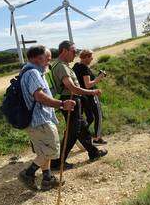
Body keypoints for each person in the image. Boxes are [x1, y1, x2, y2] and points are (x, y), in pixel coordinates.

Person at [19, 45, 76, 190]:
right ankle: (28, 173)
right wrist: (62, 104)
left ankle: (47, 178)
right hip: (40, 120)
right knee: (52, 149)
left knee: (43, 151)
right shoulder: (33, 73)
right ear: (38, 58)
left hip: (35, 120)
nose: (49, 62)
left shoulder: (29, 71)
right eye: (47, 59)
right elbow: (39, 96)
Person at [51, 40, 107, 170]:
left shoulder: (61, 65)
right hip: (71, 100)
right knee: (72, 132)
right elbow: (72, 88)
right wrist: (92, 91)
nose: (75, 54)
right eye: (73, 51)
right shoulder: (61, 66)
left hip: (72, 100)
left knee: (82, 129)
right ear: (64, 51)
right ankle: (58, 162)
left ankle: (93, 152)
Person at [73, 49, 107, 145]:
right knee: (98, 116)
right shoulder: (84, 68)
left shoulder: (76, 66)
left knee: (90, 118)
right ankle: (97, 138)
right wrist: (100, 77)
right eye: (91, 57)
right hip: (90, 95)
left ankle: (79, 135)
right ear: (86, 57)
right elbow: (87, 84)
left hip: (82, 96)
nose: (92, 59)